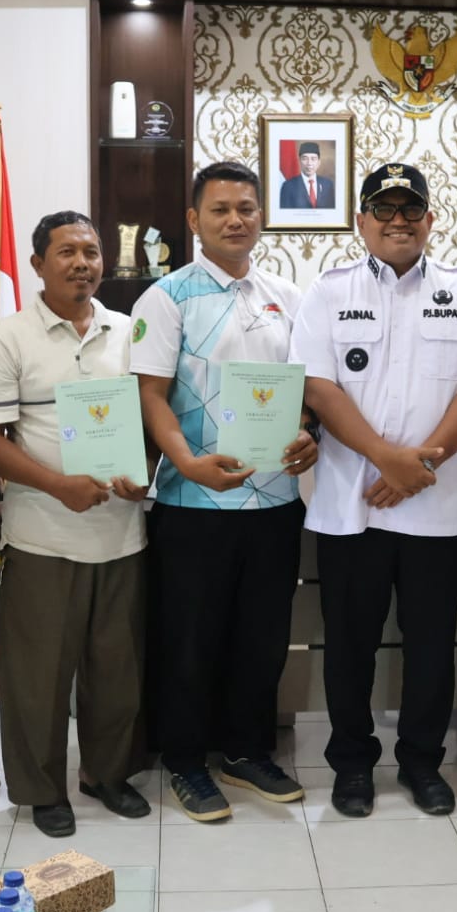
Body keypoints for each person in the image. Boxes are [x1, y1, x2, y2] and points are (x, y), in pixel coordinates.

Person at [290, 162, 457, 817]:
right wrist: (385, 459)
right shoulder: (327, 292)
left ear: (429, 220)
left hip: (435, 507)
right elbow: (318, 387)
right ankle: (352, 764)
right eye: (384, 209)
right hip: (349, 507)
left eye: (410, 209)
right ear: (361, 221)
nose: (398, 221)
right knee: (349, 647)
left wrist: (421, 463)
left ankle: (421, 762)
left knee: (430, 646)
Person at [131, 162, 317, 821]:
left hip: (274, 502)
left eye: (246, 208)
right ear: (194, 220)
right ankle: (186, 761)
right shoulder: (167, 297)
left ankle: (245, 751)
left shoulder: (289, 296)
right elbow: (150, 394)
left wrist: (307, 434)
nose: (235, 220)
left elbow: (305, 391)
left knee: (262, 637)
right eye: (220, 209)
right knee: (190, 638)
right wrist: (187, 462)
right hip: (194, 503)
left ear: (261, 216)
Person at [0, 211, 150, 838]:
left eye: (91, 252)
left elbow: (151, 420)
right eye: (67, 252)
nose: (82, 263)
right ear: (38, 263)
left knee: (116, 671)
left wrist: (144, 472)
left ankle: (106, 774)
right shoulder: (8, 339)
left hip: (122, 536)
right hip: (42, 536)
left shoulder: (127, 332)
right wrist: (57, 486)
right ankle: (44, 789)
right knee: (38, 678)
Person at [279, 142, 336, 209]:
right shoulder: (288, 186)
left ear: (319, 162)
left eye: (313, 159)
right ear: (299, 161)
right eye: (305, 159)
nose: (309, 163)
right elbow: (285, 213)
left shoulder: (327, 184)